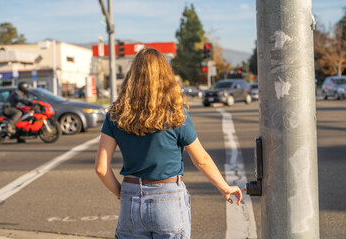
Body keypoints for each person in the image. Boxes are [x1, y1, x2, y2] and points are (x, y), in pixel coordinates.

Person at [95, 48, 244, 239]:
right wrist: (224, 187)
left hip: (130, 199)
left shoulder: (116, 114)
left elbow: (101, 168)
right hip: (168, 199)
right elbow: (202, 160)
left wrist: (123, 195)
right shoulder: (175, 114)